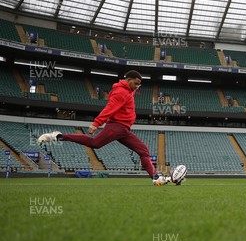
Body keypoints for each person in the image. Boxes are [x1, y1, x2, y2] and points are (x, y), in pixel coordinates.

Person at [37, 70, 169, 185]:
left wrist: (135, 87)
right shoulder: (121, 93)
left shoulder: (128, 90)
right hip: (117, 126)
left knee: (143, 151)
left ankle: (155, 178)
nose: (136, 87)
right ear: (128, 80)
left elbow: (130, 91)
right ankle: (59, 136)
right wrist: (97, 123)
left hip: (124, 130)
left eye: (138, 85)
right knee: (95, 143)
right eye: (135, 84)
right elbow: (109, 108)